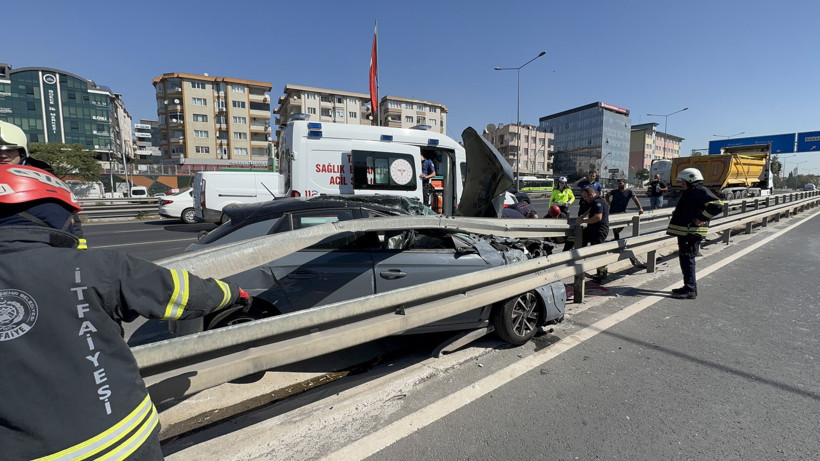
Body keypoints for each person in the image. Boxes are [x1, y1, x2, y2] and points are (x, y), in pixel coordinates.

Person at [0, 164, 253, 460]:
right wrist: (233, 292)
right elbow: (183, 294)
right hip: (121, 440)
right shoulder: (95, 267)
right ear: (52, 213)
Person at [666, 167, 724, 300]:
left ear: (690, 179)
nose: (681, 183)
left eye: (683, 181)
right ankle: (688, 286)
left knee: (688, 260)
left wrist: (702, 218)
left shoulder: (700, 191)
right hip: (686, 233)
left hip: (691, 233)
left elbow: (718, 205)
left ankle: (691, 289)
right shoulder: (692, 191)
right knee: (685, 260)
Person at [576, 186, 610, 283]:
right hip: (593, 229)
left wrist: (583, 220)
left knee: (598, 252)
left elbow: (597, 217)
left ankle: (602, 275)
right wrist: (582, 216)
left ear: (591, 194)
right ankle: (582, 264)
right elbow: (590, 210)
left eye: (585, 197)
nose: (584, 199)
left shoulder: (598, 202)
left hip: (599, 230)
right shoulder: (595, 201)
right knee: (581, 240)